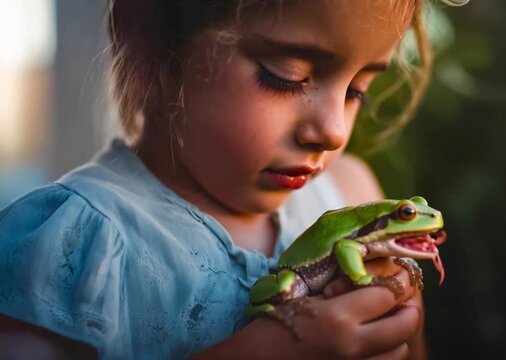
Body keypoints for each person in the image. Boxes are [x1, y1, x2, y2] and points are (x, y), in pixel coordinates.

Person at [0, 0, 454, 358]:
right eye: (287, 76)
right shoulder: (72, 243)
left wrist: (396, 328)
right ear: (149, 36)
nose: (334, 130)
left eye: (358, 91)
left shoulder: (353, 190)